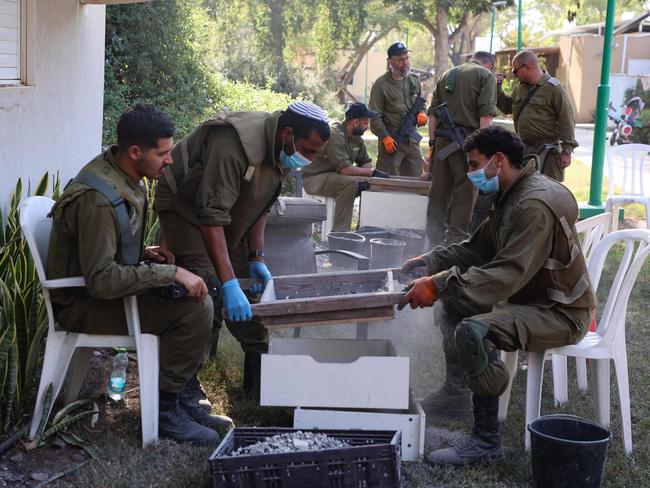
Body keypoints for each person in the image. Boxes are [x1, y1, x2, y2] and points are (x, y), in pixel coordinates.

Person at [399, 126, 595, 466]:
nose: (472, 172)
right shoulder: (515, 195)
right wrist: (429, 262)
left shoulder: (532, 205)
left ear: (498, 161)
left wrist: (439, 283)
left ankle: (487, 440)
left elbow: (505, 276)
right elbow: (476, 249)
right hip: (531, 301)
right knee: (454, 303)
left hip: (559, 311)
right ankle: (457, 393)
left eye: (475, 164)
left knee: (473, 330)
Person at [47, 104, 231, 445]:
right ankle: (165, 408)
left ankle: (176, 396)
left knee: (195, 291)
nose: (170, 160)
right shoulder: (100, 200)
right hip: (81, 307)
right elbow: (101, 280)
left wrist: (143, 253)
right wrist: (169, 272)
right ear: (135, 152)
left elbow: (99, 252)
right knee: (195, 309)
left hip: (94, 294)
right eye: (163, 153)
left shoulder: (124, 174)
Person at [154, 101, 330, 400]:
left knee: (250, 294)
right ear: (288, 133)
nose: (309, 159)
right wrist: (227, 282)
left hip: (223, 213)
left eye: (316, 153)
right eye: (308, 150)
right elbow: (210, 215)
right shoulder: (233, 143)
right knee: (207, 287)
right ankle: (183, 388)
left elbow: (261, 202)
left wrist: (255, 257)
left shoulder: (281, 148)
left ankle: (258, 384)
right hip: (185, 209)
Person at [426, 51, 497, 246]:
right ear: (489, 65)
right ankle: (455, 243)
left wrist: (432, 145)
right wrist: (483, 152)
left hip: (442, 142)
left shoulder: (447, 74)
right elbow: (486, 118)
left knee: (439, 191)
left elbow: (433, 115)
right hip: (470, 143)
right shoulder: (486, 76)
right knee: (465, 193)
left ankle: (433, 240)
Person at [302, 103, 390, 232]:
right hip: (314, 178)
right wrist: (371, 173)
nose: (367, 127)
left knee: (370, 183)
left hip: (334, 178)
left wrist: (369, 175)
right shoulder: (335, 135)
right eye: (365, 123)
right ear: (355, 122)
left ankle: (364, 230)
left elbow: (365, 162)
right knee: (349, 183)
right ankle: (340, 234)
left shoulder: (356, 137)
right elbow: (345, 169)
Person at [496, 49, 578, 182]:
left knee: (549, 192)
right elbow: (506, 107)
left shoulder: (554, 88)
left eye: (515, 71)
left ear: (527, 67)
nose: (514, 75)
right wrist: (497, 87)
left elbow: (566, 120)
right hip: (525, 151)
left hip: (548, 152)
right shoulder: (520, 88)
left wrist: (567, 151)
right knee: (524, 190)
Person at [369, 41, 427, 177]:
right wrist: (385, 137)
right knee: (387, 182)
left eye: (407, 58)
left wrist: (423, 112)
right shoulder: (381, 85)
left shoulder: (414, 80)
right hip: (392, 142)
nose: (405, 62)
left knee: (416, 181)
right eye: (401, 59)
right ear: (390, 61)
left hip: (412, 142)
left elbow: (421, 103)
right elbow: (375, 116)